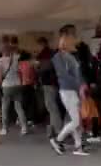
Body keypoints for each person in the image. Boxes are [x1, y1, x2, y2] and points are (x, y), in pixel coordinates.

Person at [49, 25, 89, 156]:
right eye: (71, 36)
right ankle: (57, 140)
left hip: (71, 91)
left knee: (75, 120)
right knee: (76, 120)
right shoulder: (58, 57)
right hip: (67, 91)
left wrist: (82, 85)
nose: (74, 39)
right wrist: (80, 85)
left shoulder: (71, 57)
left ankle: (78, 146)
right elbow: (65, 75)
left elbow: (77, 74)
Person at [0, 35, 27, 136]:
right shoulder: (16, 59)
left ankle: (4, 128)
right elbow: (21, 71)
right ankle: (24, 127)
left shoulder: (0, 61)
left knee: (5, 108)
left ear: (2, 51)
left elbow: (0, 76)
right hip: (17, 85)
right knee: (19, 107)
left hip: (7, 87)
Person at [37, 37, 62, 138]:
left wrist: (38, 69)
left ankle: (58, 129)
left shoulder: (45, 54)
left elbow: (44, 69)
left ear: (42, 44)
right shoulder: (52, 53)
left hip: (48, 83)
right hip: (55, 83)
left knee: (51, 107)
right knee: (52, 106)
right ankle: (53, 129)